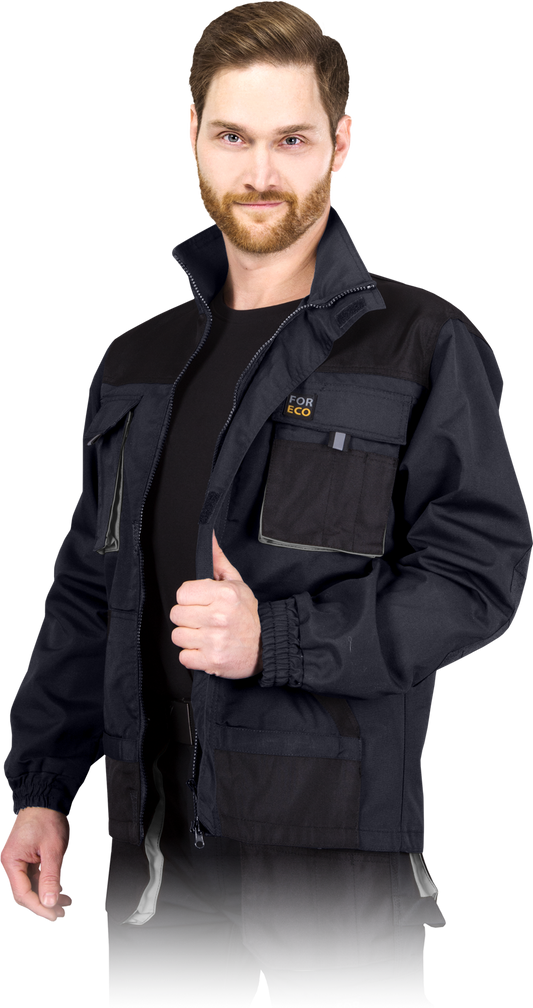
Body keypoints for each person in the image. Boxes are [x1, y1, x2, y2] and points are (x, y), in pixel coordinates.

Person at [1, 3, 531, 1006]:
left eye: (290, 140)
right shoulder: (136, 361)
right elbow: (84, 593)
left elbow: (476, 578)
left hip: (333, 852)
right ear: (191, 135)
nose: (258, 173)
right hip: (153, 843)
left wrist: (277, 642)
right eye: (233, 137)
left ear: (341, 143)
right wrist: (43, 790)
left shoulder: (418, 342)